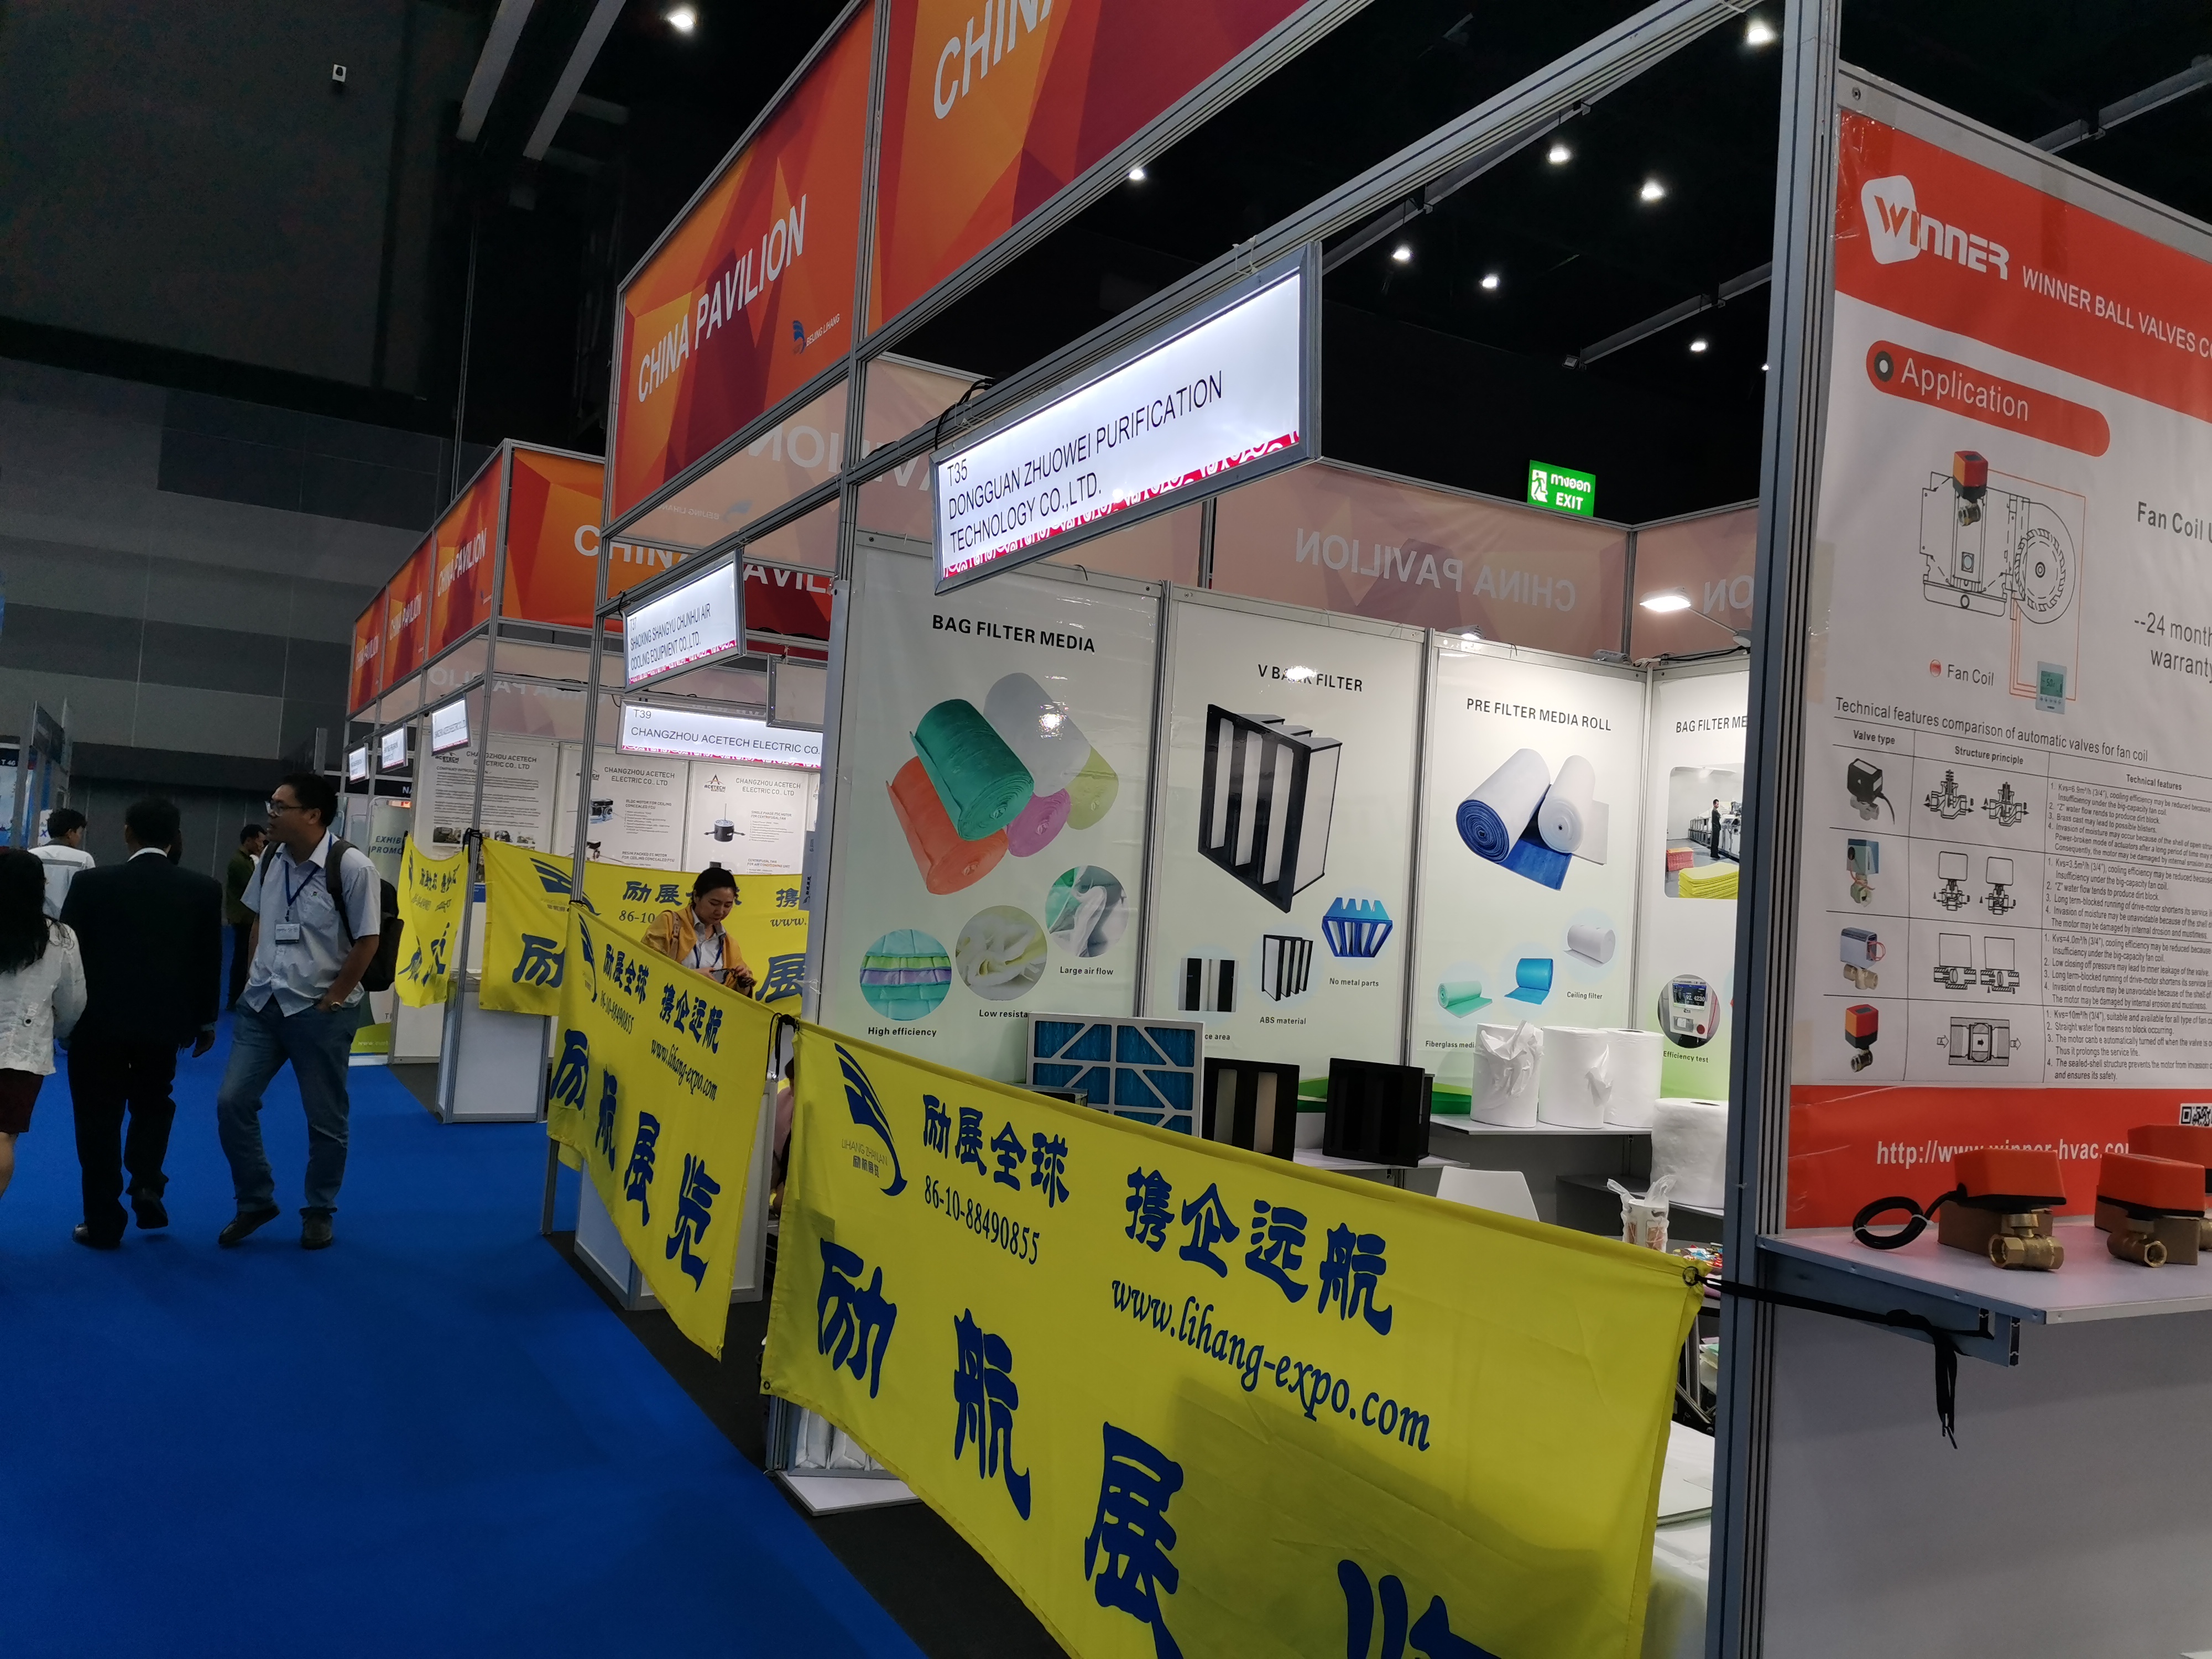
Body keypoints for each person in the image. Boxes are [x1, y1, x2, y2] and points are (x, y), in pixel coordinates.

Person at [215, 773, 380, 1251]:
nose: (271, 813)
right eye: (271, 804)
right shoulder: (269, 858)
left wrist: (334, 998)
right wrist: (253, 977)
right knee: (232, 1103)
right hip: (263, 1005)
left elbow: (368, 940)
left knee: (325, 1120)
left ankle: (320, 1209)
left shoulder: (352, 867)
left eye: (280, 806)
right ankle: (256, 1200)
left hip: (318, 1011)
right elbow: (259, 921)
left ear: (313, 815)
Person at [60, 797, 223, 1246]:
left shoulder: (91, 884)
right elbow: (209, 962)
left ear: (128, 832)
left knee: (97, 1118)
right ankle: (148, 1180)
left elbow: (68, 957)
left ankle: (103, 1222)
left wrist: (62, 1019)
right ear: (176, 838)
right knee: (154, 1101)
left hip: (97, 1022)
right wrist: (205, 1021)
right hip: (165, 1024)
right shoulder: (203, 889)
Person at [0, 848, 86, 1225]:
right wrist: (61, 1032)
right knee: (3, 1137)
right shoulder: (60, 938)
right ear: (41, 886)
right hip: (21, 1051)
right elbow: (72, 1001)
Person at [642, 866, 755, 995]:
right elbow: (646, 968)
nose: (720, 911)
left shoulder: (729, 944)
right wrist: (692, 976)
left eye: (728, 905)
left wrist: (743, 985)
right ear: (696, 896)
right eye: (714, 903)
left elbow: (737, 995)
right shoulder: (669, 923)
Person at [225, 823, 267, 1007]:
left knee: (244, 958)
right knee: (242, 959)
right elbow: (255, 885)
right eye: (259, 841)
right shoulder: (239, 862)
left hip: (247, 917)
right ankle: (234, 998)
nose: (261, 845)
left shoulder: (247, 860)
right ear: (249, 840)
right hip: (243, 918)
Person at [32, 807, 95, 920]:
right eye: (80, 833)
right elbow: (90, 895)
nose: (80, 837)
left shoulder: (32, 855)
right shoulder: (84, 859)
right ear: (70, 833)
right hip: (71, 923)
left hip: (36, 921)